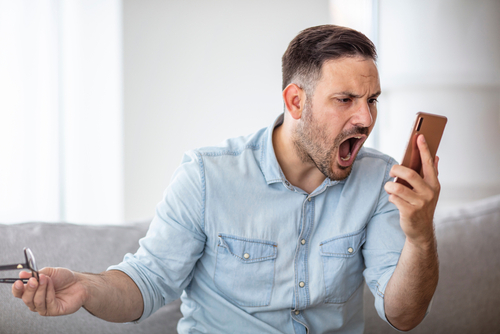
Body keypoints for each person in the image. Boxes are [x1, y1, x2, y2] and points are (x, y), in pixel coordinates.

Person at [12, 25, 440, 333]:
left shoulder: (382, 182)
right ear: (295, 101)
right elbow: (147, 282)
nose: (365, 120)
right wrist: (85, 287)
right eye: (345, 100)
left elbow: (403, 315)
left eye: (371, 101)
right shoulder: (206, 176)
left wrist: (420, 236)